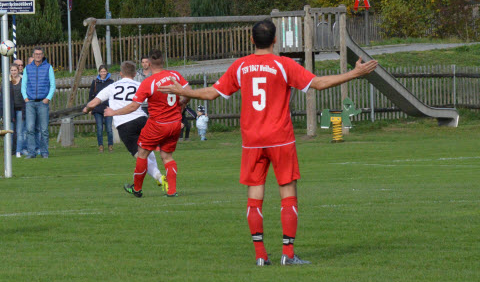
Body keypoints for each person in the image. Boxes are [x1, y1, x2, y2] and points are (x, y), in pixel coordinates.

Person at [160, 19, 378, 266]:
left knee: (255, 194)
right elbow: (318, 84)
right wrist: (354, 73)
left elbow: (211, 93)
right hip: (280, 139)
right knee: (288, 191)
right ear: (275, 40)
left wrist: (183, 91)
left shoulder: (241, 66)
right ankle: (288, 253)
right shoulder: (284, 65)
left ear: (251, 40)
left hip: (252, 140)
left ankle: (261, 256)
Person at [104, 49, 188, 198]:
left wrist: (114, 112)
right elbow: (188, 92)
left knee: (142, 154)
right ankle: (172, 191)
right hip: (175, 123)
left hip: (157, 125)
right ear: (163, 61)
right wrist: (182, 104)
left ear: (148, 63)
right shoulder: (175, 75)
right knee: (167, 157)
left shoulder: (148, 82)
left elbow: (133, 106)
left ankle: (137, 189)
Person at [82, 60, 167, 194]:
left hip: (125, 125)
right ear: (135, 74)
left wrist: (86, 109)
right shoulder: (140, 85)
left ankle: (159, 177)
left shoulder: (112, 86)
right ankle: (158, 178)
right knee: (146, 151)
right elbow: (154, 100)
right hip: (142, 120)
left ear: (121, 74)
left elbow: (94, 102)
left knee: (141, 157)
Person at [21, 46, 56, 158]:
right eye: (36, 54)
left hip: (43, 103)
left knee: (44, 129)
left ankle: (44, 152)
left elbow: (53, 85)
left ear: (43, 55)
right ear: (33, 55)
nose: (38, 56)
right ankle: (32, 152)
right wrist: (26, 98)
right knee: (30, 129)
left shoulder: (48, 67)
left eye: (40, 54)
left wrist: (48, 98)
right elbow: (23, 85)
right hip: (30, 103)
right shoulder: (27, 68)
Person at [88, 65, 114, 152]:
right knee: (99, 128)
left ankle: (110, 145)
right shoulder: (95, 82)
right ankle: (101, 146)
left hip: (108, 108)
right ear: (99, 72)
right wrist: (90, 108)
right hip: (97, 109)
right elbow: (91, 96)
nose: (103, 73)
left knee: (109, 129)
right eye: (101, 71)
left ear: (107, 72)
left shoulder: (111, 82)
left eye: (104, 71)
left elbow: (113, 95)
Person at [7, 63, 26, 157]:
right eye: (12, 70)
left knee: (20, 131)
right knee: (10, 132)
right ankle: (10, 151)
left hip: (21, 109)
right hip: (10, 110)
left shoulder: (23, 81)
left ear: (18, 70)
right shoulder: (7, 82)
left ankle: (18, 151)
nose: (13, 72)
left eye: (15, 70)